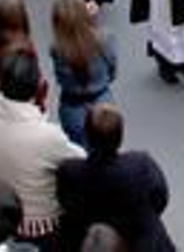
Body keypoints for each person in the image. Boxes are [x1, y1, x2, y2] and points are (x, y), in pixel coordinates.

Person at [0, 52, 86, 246]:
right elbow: (82, 159)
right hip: (41, 223)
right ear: (37, 88)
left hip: (3, 210)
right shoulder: (47, 135)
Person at [55, 104, 177, 252]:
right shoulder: (140, 164)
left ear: (87, 136)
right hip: (140, 237)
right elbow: (160, 197)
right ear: (120, 136)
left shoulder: (70, 171)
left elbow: (66, 202)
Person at [49, 0, 119, 148]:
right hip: (102, 100)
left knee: (79, 149)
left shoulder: (57, 48)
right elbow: (112, 69)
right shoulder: (104, 38)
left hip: (71, 107)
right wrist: (93, 21)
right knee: (108, 147)